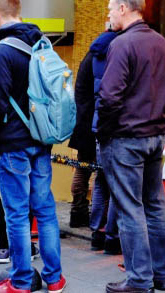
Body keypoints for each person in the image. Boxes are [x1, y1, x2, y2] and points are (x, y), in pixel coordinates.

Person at [0, 0, 66, 293]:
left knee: (16, 214)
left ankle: (19, 281)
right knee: (44, 210)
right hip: (41, 138)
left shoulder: (3, 51)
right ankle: (54, 278)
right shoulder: (41, 42)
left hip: (12, 144)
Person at [97, 0, 165, 293]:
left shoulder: (122, 43)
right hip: (155, 134)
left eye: (112, 9)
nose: (109, 14)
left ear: (125, 8)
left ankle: (139, 279)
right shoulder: (162, 43)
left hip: (126, 136)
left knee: (130, 208)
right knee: (154, 205)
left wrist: (103, 131)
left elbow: (109, 96)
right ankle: (160, 275)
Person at [0, 38, 39, 265]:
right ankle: (24, 249)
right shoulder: (30, 53)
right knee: (27, 191)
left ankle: (5, 246)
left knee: (0, 190)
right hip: (30, 132)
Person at [87, 30, 121, 255]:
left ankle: (97, 232)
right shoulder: (119, 49)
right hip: (116, 123)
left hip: (99, 121)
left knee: (101, 179)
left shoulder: (97, 50)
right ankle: (112, 236)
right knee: (118, 182)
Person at [69, 47, 96, 229]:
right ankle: (80, 211)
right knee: (89, 169)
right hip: (91, 121)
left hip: (83, 120)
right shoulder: (98, 59)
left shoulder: (89, 57)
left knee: (83, 167)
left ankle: (77, 211)